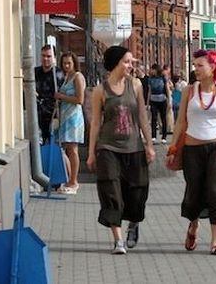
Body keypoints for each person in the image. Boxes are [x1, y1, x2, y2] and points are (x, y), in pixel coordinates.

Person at [87, 46, 156, 255]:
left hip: (133, 147)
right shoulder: (100, 90)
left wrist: (149, 145)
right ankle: (118, 241)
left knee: (137, 192)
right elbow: (96, 124)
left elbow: (143, 116)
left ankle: (133, 223)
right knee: (111, 192)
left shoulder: (135, 85)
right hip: (108, 148)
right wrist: (91, 152)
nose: (130, 65)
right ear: (116, 63)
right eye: (126, 62)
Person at [166, 49, 216, 255]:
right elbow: (180, 122)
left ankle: (215, 242)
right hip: (192, 148)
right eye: (195, 65)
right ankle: (193, 225)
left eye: (200, 65)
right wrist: (173, 147)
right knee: (194, 191)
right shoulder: (189, 91)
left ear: (213, 67)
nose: (195, 69)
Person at [54, 52, 85, 194]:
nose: (66, 66)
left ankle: (74, 181)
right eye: (64, 63)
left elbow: (80, 99)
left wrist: (62, 96)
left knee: (72, 149)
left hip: (74, 117)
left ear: (74, 63)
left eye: (69, 63)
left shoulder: (78, 77)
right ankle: (68, 179)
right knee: (65, 148)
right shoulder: (66, 77)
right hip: (65, 116)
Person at [35, 45, 64, 144]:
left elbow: (59, 96)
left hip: (52, 116)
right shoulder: (35, 72)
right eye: (43, 56)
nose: (45, 59)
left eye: (48, 56)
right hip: (36, 115)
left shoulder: (58, 74)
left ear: (54, 58)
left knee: (53, 145)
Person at [148, 64, 170, 144]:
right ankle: (153, 136)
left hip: (162, 99)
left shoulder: (163, 78)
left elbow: (167, 89)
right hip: (153, 100)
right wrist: (148, 103)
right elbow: (149, 91)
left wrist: (169, 100)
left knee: (163, 118)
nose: (151, 71)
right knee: (154, 118)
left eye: (152, 69)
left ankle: (164, 136)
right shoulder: (150, 79)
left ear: (156, 69)